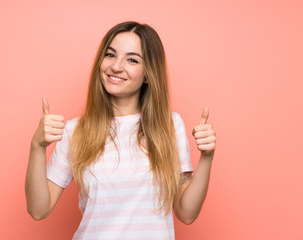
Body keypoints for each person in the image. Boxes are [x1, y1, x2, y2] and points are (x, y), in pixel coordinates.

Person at [25, 21, 216, 239]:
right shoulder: (76, 130)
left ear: (148, 74)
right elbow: (38, 210)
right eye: (110, 55)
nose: (116, 66)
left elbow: (187, 213)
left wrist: (207, 157)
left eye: (132, 60)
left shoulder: (170, 127)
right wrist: (37, 146)